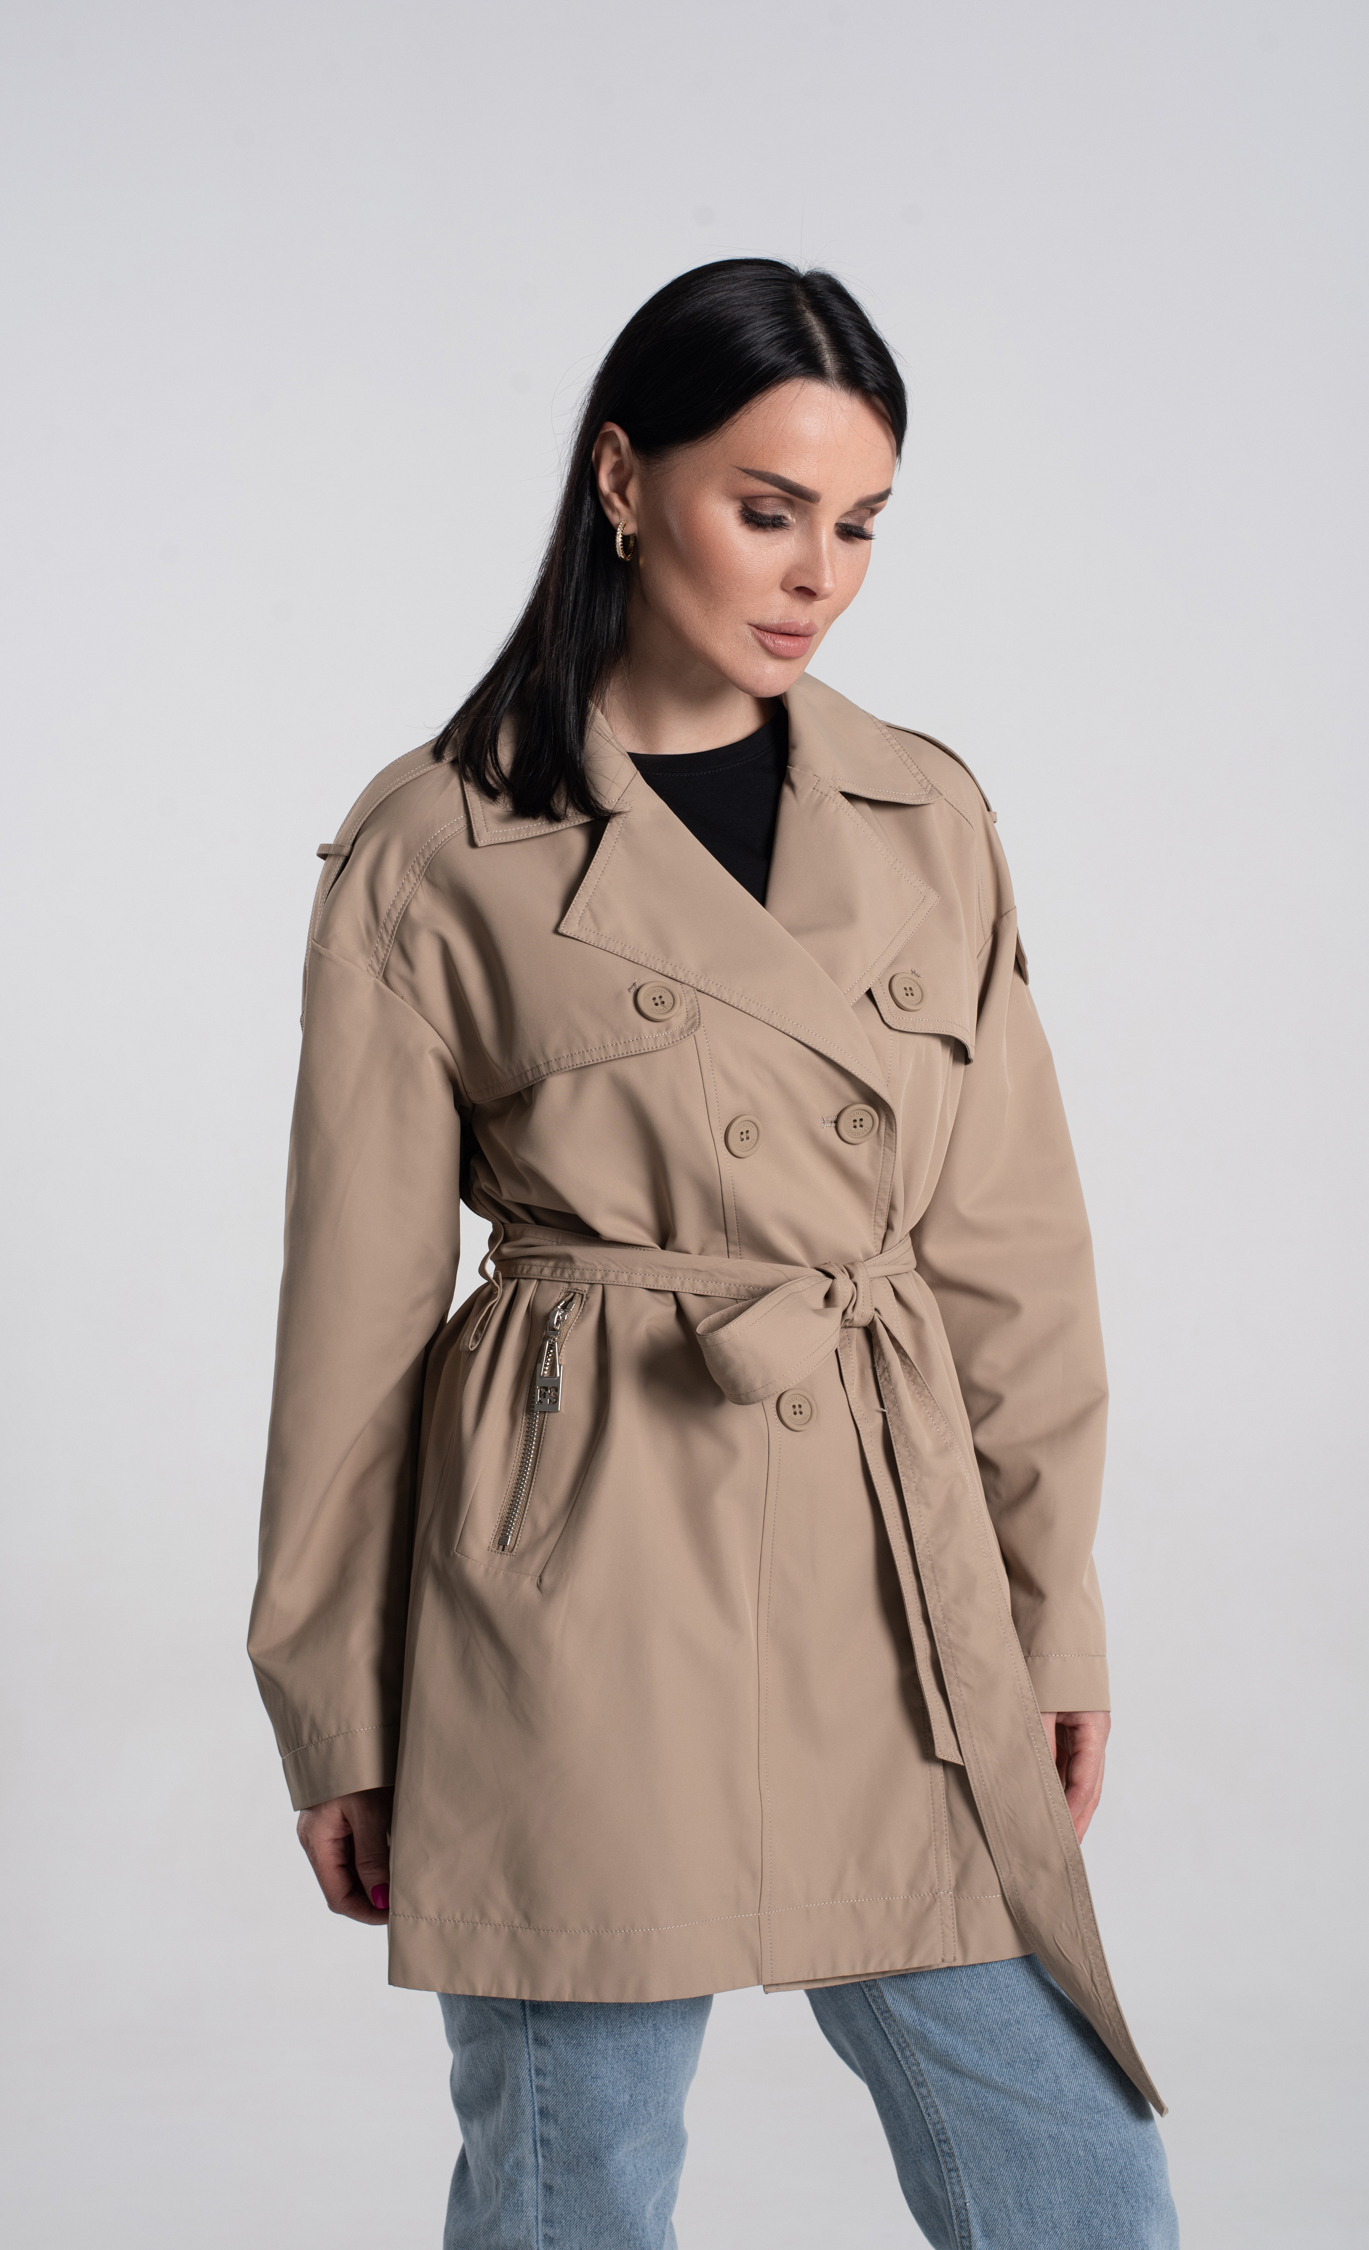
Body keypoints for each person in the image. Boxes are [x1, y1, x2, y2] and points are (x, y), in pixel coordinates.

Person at [249, 258, 1178, 2250]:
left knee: (1074, 2164)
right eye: (767, 508)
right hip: (576, 1558)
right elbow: (353, 1316)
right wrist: (333, 1697)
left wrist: (1051, 1617)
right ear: (621, 480)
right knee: (574, 2169)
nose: (817, 574)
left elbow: (1014, 1262)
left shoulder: (922, 813)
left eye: (859, 523)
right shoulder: (440, 842)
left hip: (889, 1554)